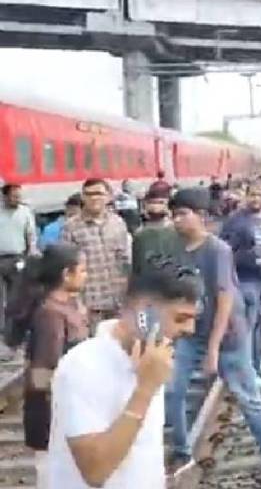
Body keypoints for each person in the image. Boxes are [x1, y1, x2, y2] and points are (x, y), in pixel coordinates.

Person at [165, 189, 261, 485]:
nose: (177, 220)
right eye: (175, 215)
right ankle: (182, 451)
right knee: (173, 390)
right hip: (190, 333)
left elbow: (224, 299)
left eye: (183, 214)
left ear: (203, 217)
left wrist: (212, 349)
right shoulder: (174, 249)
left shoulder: (217, 250)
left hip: (229, 336)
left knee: (248, 399)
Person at [46, 266, 196, 489]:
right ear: (144, 314)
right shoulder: (82, 365)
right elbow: (95, 471)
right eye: (181, 318)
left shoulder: (151, 359)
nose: (190, 329)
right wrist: (145, 390)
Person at [4, 243, 89, 488]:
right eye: (82, 270)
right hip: (54, 407)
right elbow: (44, 370)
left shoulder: (68, 306)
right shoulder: (50, 314)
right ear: (66, 274)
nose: (86, 276)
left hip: (67, 402)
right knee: (53, 471)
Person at [220, 181, 261, 374]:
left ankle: (256, 364)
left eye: (260, 195)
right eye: (252, 194)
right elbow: (225, 250)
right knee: (249, 326)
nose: (256, 199)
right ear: (245, 196)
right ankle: (249, 370)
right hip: (247, 279)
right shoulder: (236, 221)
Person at [61, 179, 130, 326]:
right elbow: (67, 268)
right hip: (90, 304)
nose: (94, 198)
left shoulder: (118, 223)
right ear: (83, 198)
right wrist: (76, 303)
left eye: (98, 193)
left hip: (118, 300)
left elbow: (126, 261)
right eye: (89, 194)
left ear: (108, 196)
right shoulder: (71, 227)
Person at [1, 183, 38, 330]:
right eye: (14, 196)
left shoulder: (25, 212)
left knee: (17, 295)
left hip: (18, 259)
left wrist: (31, 253)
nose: (17, 199)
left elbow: (31, 235)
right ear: (4, 197)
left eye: (19, 196)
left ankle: (15, 327)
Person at [131, 189, 179, 276]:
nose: (156, 206)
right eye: (152, 202)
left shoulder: (176, 230)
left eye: (161, 202)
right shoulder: (139, 234)